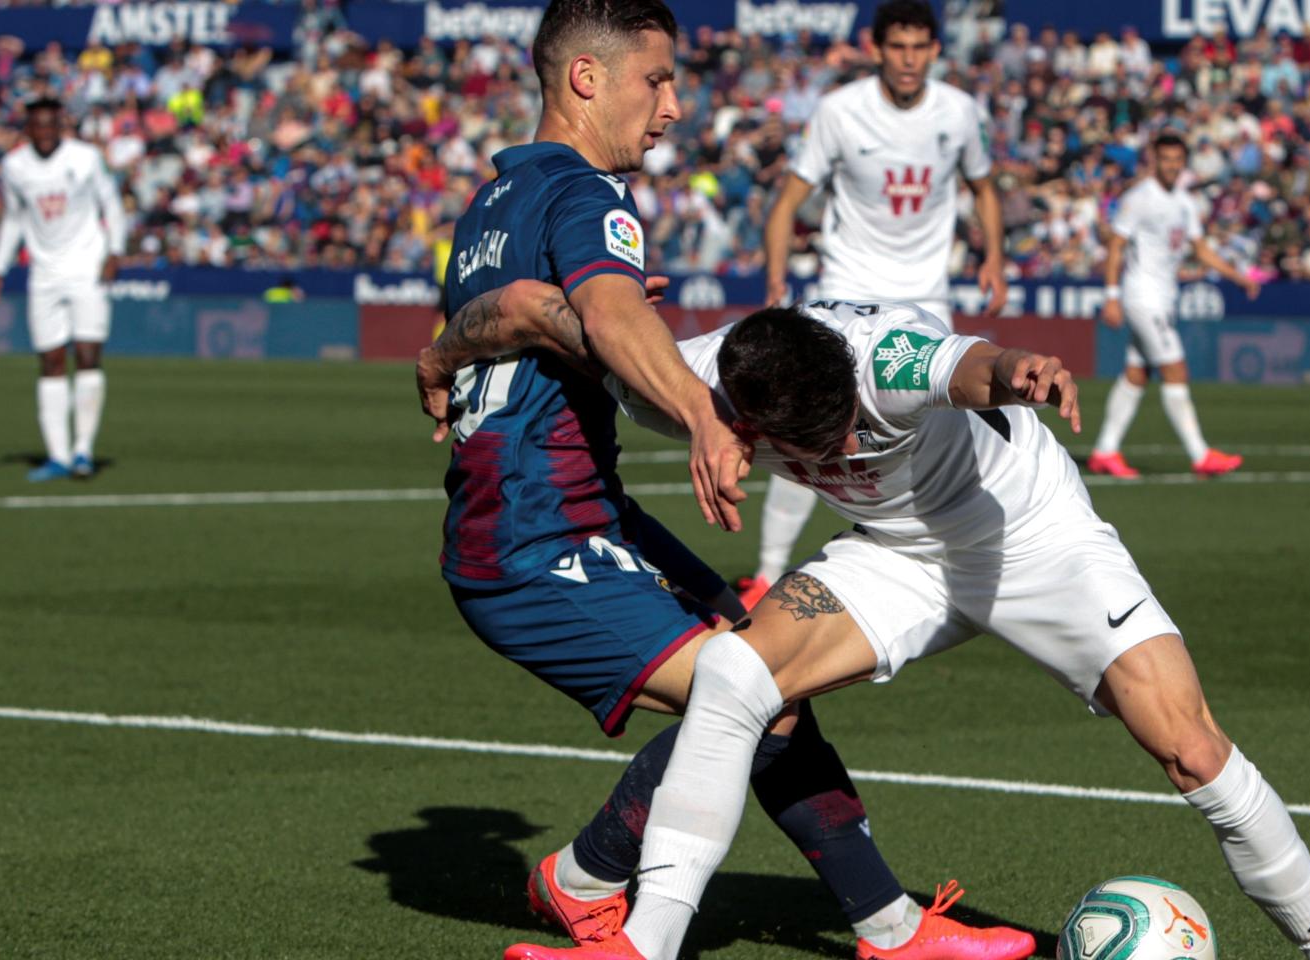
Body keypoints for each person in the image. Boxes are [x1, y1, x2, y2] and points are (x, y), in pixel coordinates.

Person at [414, 2, 1028, 957]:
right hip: (536, 541)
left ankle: (886, 924)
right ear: (587, 78)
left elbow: (522, 308)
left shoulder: (493, 201)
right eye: (655, 81)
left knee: (766, 674)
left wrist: (443, 349)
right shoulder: (590, 196)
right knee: (752, 694)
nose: (672, 107)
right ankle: (588, 878)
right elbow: (605, 316)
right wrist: (704, 414)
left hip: (574, 517)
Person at [486, 299, 1310, 960]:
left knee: (1191, 748)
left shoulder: (887, 361)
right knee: (733, 674)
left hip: (1033, 538)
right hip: (898, 559)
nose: (837, 447)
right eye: (814, 445)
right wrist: (462, 348)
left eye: (842, 429)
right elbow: (579, 330)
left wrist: (1024, 367)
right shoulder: (700, 378)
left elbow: (977, 363)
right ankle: (646, 947)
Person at [747, 0, 1007, 605]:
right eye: (898, 47)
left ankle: (938, 559)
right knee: (807, 419)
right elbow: (787, 202)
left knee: (944, 430)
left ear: (936, 50)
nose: (909, 59)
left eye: (920, 47)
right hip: (848, 287)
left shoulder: (961, 112)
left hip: (925, 294)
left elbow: (985, 188)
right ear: (876, 48)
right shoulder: (840, 112)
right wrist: (776, 275)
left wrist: (994, 256)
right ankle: (765, 571)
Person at [1086, 132, 1258, 481]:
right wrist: (1111, 295)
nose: (1172, 165)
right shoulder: (1139, 199)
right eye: (1165, 159)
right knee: (1175, 369)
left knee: (1137, 373)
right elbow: (1116, 246)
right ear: (1154, 160)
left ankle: (1105, 451)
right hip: (1141, 296)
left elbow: (1202, 250)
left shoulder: (1184, 202)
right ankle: (1200, 455)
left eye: (1177, 160)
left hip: (1163, 297)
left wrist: (1238, 277)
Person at [0, 97, 126, 482]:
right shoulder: (15, 167)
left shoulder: (85, 158)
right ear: (28, 129)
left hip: (86, 268)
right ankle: (58, 455)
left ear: (61, 126)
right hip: (44, 274)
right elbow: (14, 218)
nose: (45, 133)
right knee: (50, 361)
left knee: (88, 353)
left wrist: (115, 251)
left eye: (51, 125)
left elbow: (111, 203)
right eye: (37, 126)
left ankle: (83, 450)